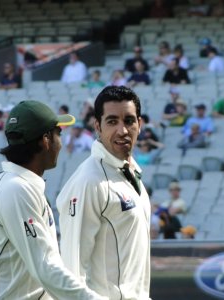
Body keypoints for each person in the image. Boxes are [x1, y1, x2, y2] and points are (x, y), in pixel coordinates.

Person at [0, 100, 107, 300]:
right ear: (45, 140)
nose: (61, 143)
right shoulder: (17, 190)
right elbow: (45, 266)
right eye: (58, 134)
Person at [56, 86, 151, 299]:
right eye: (112, 121)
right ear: (97, 126)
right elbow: (73, 269)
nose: (122, 130)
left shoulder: (131, 173)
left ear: (140, 124)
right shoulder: (89, 180)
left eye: (129, 121)